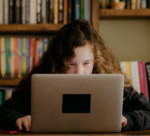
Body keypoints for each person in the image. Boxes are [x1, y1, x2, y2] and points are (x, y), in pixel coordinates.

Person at [0, 20, 150, 132]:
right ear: (58, 62)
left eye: (86, 63)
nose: (79, 72)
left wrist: (126, 120)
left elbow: (147, 111)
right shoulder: (43, 85)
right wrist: (18, 119)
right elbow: (3, 112)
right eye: (71, 64)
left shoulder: (108, 83)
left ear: (96, 60)